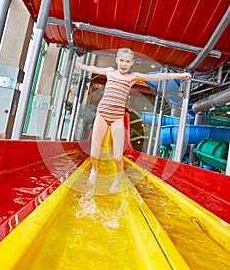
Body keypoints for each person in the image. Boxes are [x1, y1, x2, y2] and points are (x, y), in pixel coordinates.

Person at [77, 48, 191, 193]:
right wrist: (82, 66)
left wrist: (180, 75)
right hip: (102, 115)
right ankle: (95, 169)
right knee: (94, 154)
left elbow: (157, 77)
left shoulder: (133, 77)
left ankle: (118, 179)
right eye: (122, 60)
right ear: (117, 60)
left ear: (132, 63)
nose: (124, 64)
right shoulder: (110, 72)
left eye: (127, 61)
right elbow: (94, 68)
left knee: (118, 157)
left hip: (117, 118)